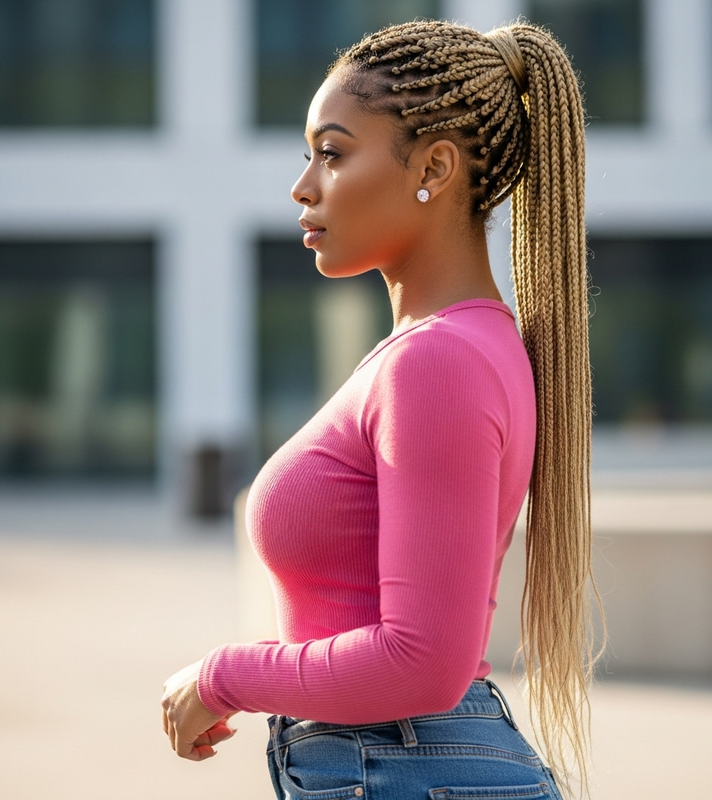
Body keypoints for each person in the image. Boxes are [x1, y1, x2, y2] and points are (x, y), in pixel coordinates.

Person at [162, 18, 603, 800]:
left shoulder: (439, 361)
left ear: (434, 167)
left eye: (332, 153)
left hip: (402, 767)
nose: (303, 186)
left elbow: (423, 662)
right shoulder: (452, 348)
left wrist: (225, 676)